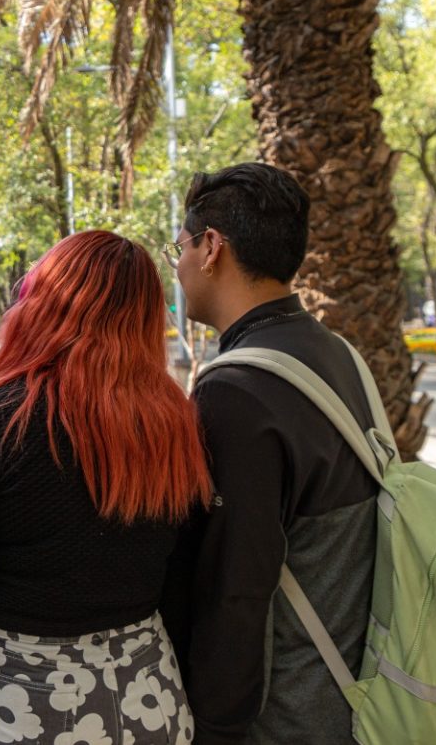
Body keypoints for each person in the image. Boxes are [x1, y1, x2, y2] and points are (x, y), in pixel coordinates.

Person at [0, 230, 212, 745]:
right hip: (147, 700)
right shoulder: (175, 423)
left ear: (43, 303)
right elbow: (178, 585)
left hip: (18, 704)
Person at [164, 162, 381, 744]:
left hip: (281, 717)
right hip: (349, 697)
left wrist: (214, 730)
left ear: (211, 248)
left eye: (180, 248)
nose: (178, 266)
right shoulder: (338, 355)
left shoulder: (238, 389)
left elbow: (235, 587)